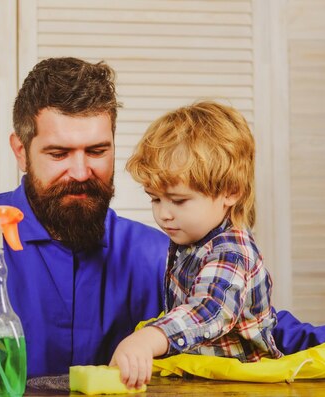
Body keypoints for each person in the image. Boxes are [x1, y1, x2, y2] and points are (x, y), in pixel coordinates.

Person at [0, 57, 325, 377]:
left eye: (97, 150)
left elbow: (245, 322)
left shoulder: (160, 250)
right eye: (58, 153)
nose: (81, 171)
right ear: (20, 150)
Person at [110, 101, 282, 389]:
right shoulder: (190, 241)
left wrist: (150, 338)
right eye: (155, 199)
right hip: (204, 380)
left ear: (231, 192)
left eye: (178, 201)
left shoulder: (231, 251)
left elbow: (209, 309)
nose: (163, 213)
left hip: (242, 386)